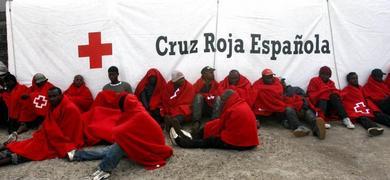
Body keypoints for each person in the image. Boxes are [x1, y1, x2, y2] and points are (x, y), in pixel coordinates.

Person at [69, 94, 173, 180]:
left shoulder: (138, 115)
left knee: (120, 145)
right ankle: (78, 155)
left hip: (151, 148)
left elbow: (119, 132)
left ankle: (104, 170)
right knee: (110, 149)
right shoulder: (136, 109)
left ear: (126, 105)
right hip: (142, 143)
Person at [0, 87, 84, 166]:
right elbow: (49, 122)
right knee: (25, 144)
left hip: (61, 141)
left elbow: (70, 133)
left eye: (54, 96)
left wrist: (50, 134)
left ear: (61, 95)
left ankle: (9, 157)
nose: (51, 99)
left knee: (34, 151)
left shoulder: (70, 108)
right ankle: (7, 151)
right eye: (49, 97)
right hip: (50, 136)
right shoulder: (53, 105)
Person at [169, 89, 259, 150]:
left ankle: (187, 142)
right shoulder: (240, 104)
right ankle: (191, 135)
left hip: (241, 143)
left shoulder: (232, 109)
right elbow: (222, 123)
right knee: (212, 124)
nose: (222, 102)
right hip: (249, 140)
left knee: (212, 140)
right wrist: (209, 127)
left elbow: (220, 128)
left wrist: (209, 130)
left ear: (228, 99)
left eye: (223, 100)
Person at [252, 69, 312, 137]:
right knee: (289, 109)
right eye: (268, 77)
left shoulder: (277, 82)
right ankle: (298, 126)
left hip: (281, 102)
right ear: (263, 77)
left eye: (271, 76)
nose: (271, 79)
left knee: (300, 104)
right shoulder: (257, 85)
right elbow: (254, 98)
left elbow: (280, 94)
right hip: (270, 107)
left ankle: (313, 126)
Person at [161, 70, 195, 136]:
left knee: (182, 113)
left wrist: (177, 106)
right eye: (180, 79)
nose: (182, 80)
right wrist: (167, 111)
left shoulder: (189, 86)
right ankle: (171, 124)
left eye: (183, 78)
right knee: (166, 112)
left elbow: (189, 101)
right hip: (171, 107)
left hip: (183, 108)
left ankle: (172, 124)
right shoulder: (169, 85)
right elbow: (165, 98)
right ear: (175, 81)